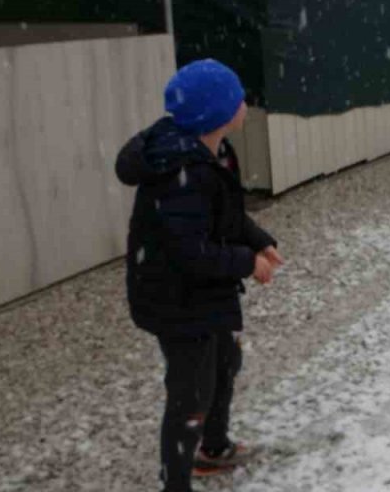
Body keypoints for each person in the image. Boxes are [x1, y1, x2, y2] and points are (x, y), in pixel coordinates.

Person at [115, 59, 283, 492]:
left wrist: (257, 238)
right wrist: (248, 263)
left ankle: (213, 449)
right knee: (190, 393)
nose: (245, 103)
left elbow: (225, 215)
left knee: (225, 363)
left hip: (203, 293)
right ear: (220, 113)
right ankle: (176, 482)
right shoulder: (180, 173)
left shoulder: (213, 151)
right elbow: (190, 253)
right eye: (239, 97)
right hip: (175, 300)